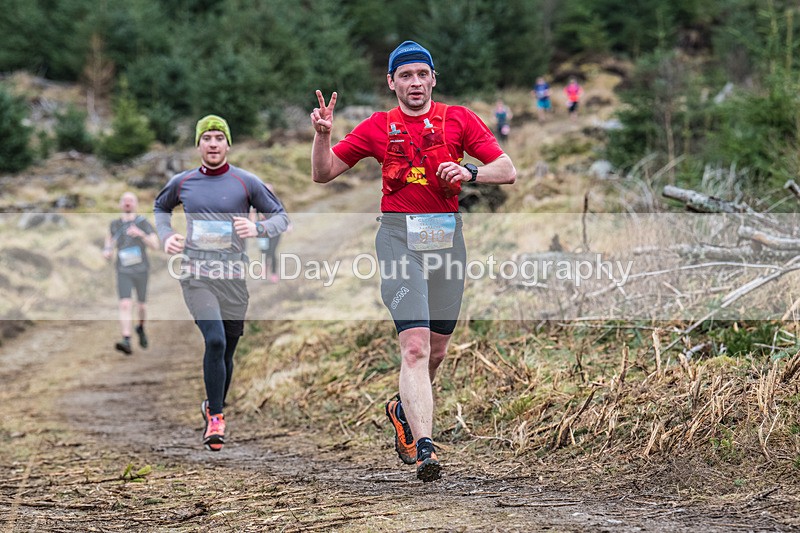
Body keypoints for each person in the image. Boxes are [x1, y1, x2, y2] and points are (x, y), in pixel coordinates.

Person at [310, 40, 516, 482]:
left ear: (433, 78)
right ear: (391, 82)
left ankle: (401, 410)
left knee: (437, 350)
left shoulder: (459, 119)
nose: (415, 82)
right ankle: (425, 449)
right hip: (398, 239)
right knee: (415, 346)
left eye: (422, 74)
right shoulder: (377, 126)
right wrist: (323, 136)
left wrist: (470, 172)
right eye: (405, 75)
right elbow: (323, 173)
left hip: (446, 242)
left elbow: (507, 169)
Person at [154, 114, 288, 452]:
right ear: (198, 144)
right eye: (207, 138)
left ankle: (212, 405)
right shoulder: (183, 182)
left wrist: (257, 229)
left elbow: (281, 217)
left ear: (228, 144)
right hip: (196, 275)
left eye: (218, 138)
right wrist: (166, 235)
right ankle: (216, 416)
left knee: (227, 349)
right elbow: (160, 207)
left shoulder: (246, 182)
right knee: (214, 341)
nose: (213, 144)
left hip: (233, 279)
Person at [103, 192, 160, 355]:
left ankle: (140, 327)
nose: (128, 203)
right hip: (123, 270)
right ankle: (126, 339)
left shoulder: (143, 223)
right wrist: (107, 252)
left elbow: (155, 246)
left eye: (131, 201)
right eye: (125, 201)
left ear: (136, 204)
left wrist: (141, 234)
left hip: (141, 270)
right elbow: (108, 244)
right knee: (125, 304)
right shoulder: (114, 224)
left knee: (141, 305)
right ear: (120, 204)